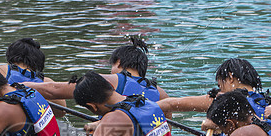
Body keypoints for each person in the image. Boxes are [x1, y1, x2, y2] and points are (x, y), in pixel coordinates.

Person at [23, 35, 169, 104]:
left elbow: (53, 89)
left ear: (118, 63)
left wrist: (17, 86)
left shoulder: (111, 81)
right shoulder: (161, 94)